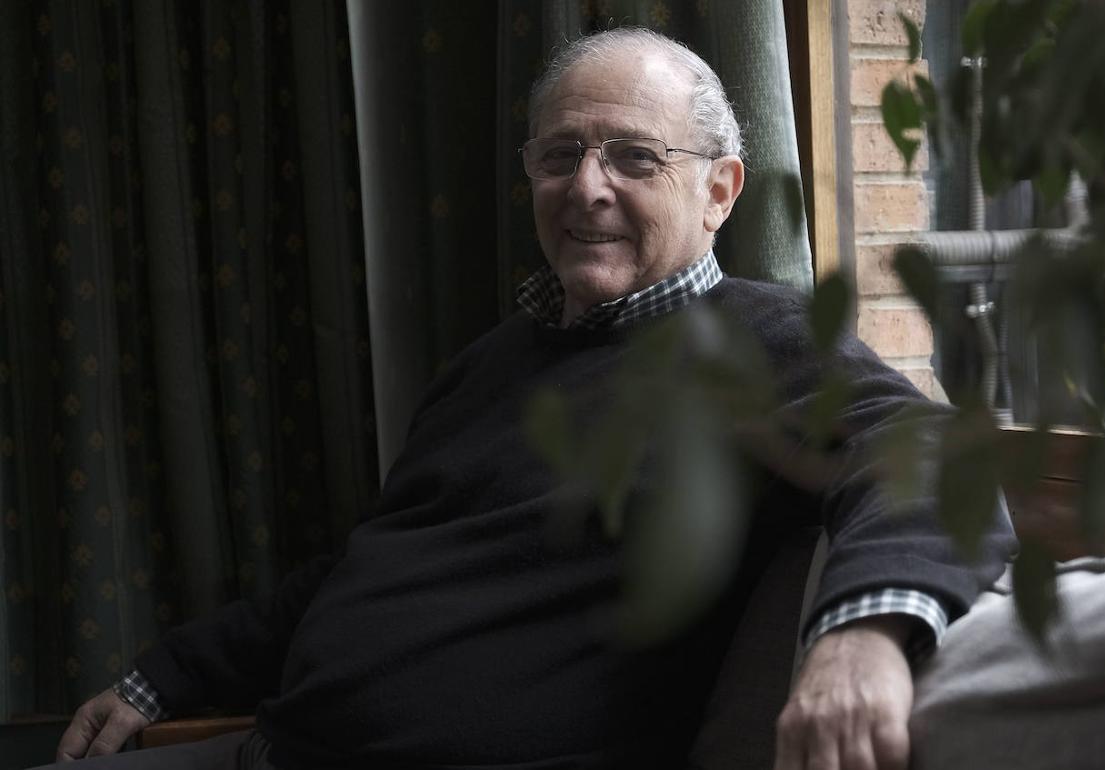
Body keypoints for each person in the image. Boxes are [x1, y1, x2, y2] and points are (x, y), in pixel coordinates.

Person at [48, 27, 1014, 770]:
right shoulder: (493, 361)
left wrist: (864, 637)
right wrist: (161, 674)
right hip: (269, 744)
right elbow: (363, 566)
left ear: (720, 192)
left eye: (636, 157)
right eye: (559, 156)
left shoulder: (757, 340)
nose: (586, 187)